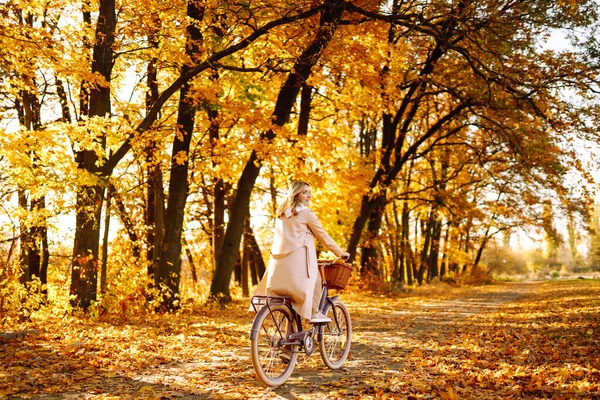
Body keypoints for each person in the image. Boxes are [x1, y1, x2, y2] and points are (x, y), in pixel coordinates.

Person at [251, 180, 350, 324]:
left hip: (278, 267)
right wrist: (340, 253)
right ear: (296, 194)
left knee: (289, 301)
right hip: (298, 264)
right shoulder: (306, 214)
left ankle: (290, 341)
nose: (309, 196)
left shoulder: (281, 214)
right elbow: (323, 236)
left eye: (309, 192)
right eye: (305, 192)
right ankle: (314, 313)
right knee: (316, 280)